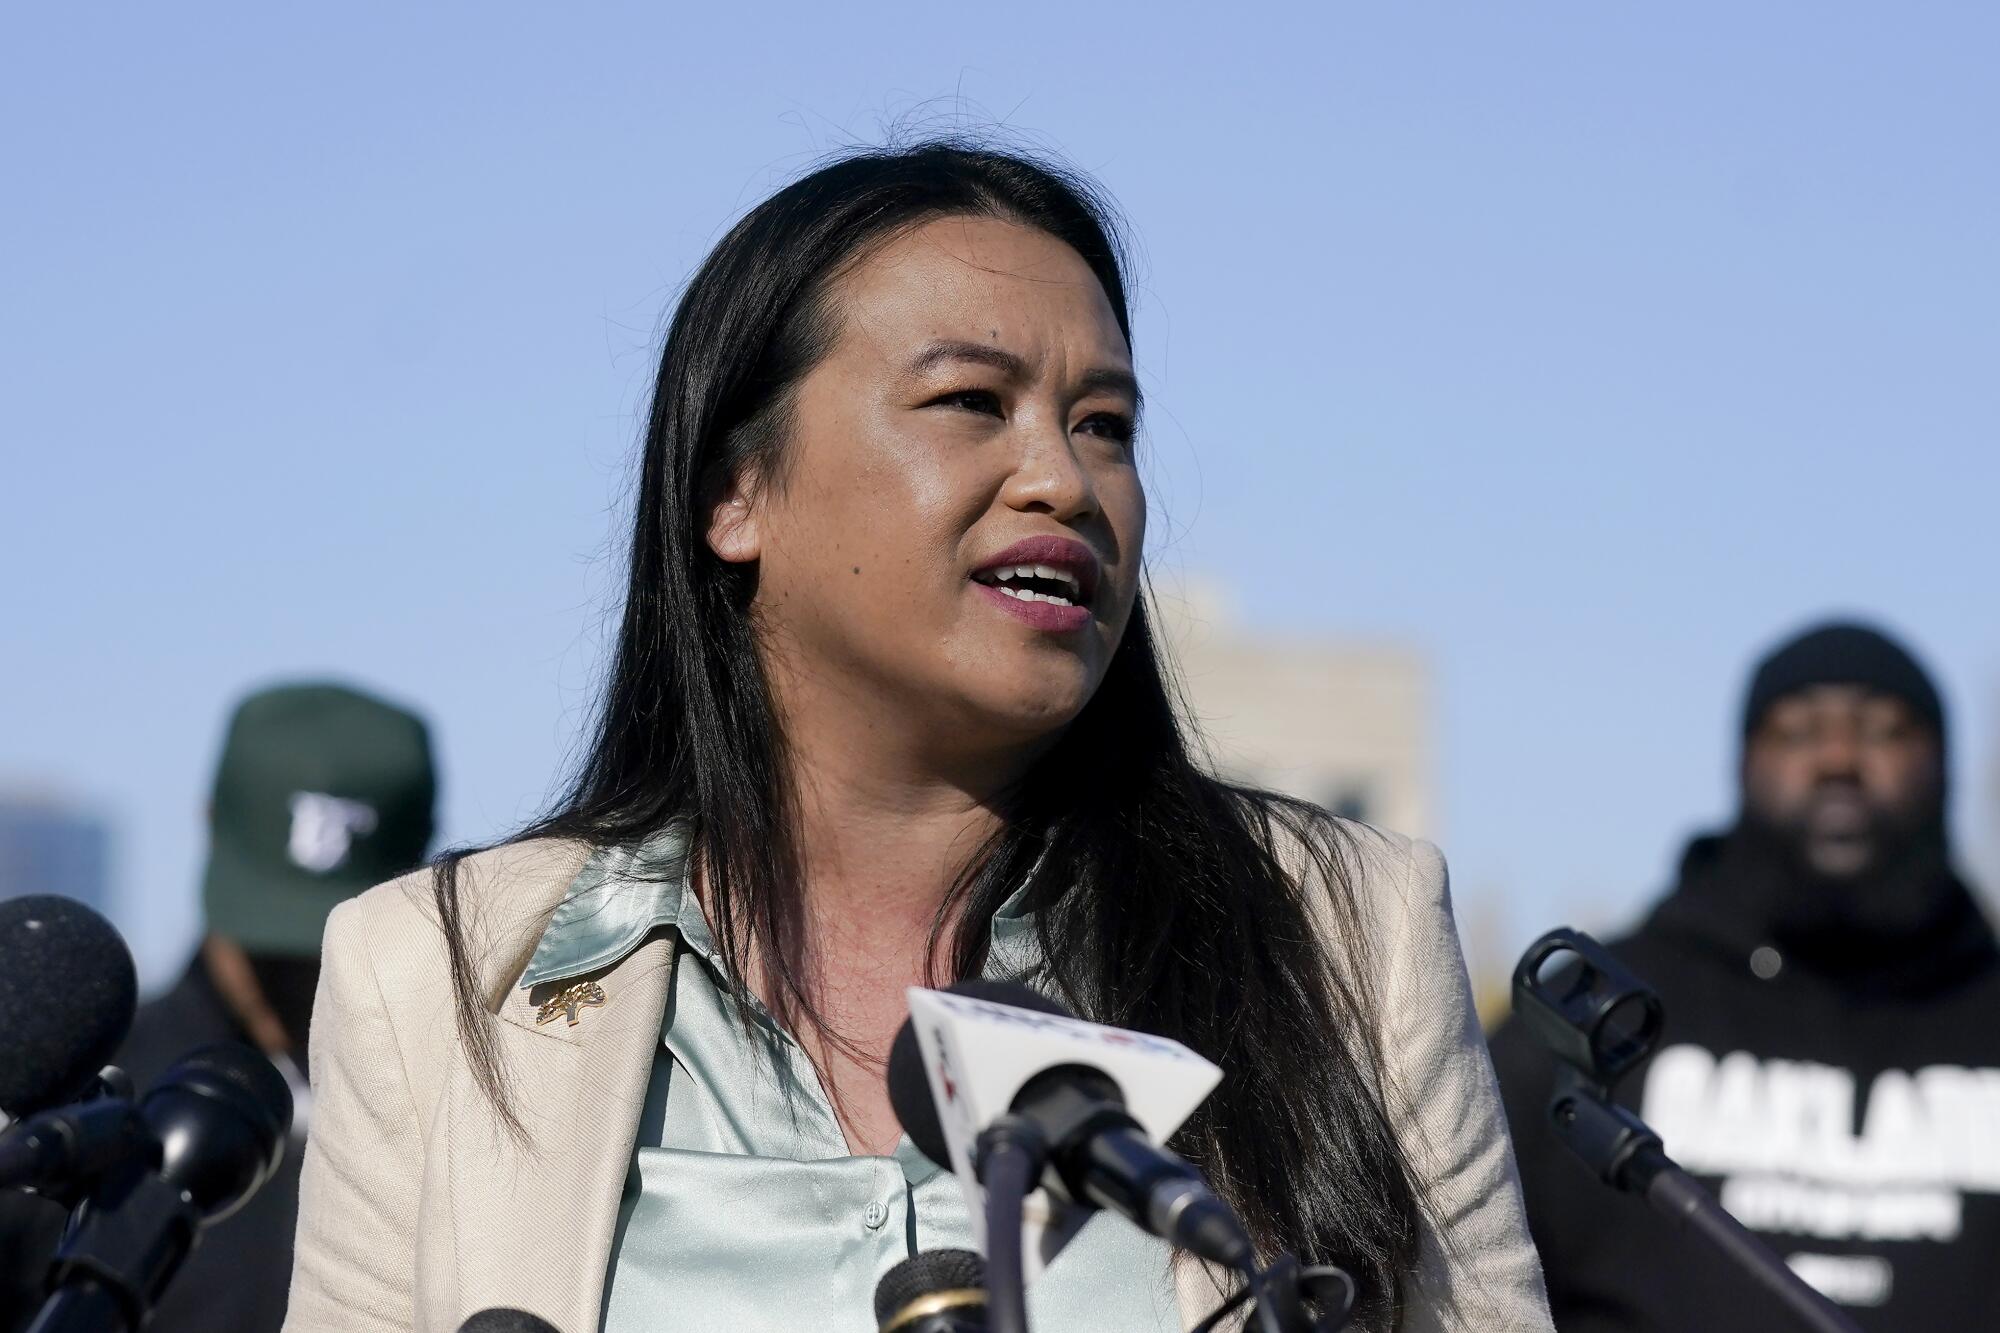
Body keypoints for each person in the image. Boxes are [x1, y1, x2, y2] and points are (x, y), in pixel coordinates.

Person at [284, 141, 1552, 1333]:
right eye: (968, 401)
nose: (1060, 476)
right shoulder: (436, 977)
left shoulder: (1343, 932)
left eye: (1104, 422)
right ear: (735, 493)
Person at [1489, 622, 2000, 1331]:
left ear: (1944, 764)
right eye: (1798, 731)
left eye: (1882, 730)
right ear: (1742, 763)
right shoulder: (1599, 1008)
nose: (1839, 757)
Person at [0, 682, 436, 1332]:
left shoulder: (465, 1113)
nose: (302, 980)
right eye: (271, 948)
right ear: (206, 826)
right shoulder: (77, 1104)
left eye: (328, 948)